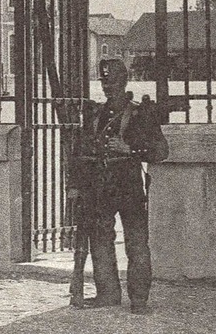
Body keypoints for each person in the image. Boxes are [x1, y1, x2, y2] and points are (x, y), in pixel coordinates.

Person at [71, 57, 167, 313]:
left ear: (124, 81)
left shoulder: (140, 112)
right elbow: (82, 152)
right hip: (100, 187)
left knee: (136, 243)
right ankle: (108, 293)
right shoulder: (96, 114)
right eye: (104, 82)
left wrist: (130, 149)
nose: (107, 87)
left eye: (112, 81)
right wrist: (76, 186)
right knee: (100, 240)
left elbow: (160, 151)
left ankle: (139, 298)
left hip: (129, 186)